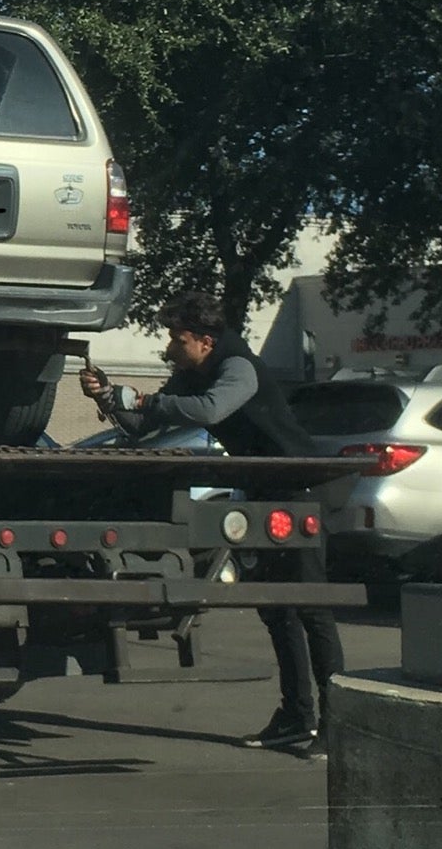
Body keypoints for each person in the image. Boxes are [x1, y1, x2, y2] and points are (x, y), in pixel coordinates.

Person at [81, 290, 343, 757]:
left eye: (176, 338)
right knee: (275, 608)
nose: (169, 347)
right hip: (263, 492)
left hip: (296, 489)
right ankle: (297, 716)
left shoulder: (236, 365)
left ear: (204, 340)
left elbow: (210, 411)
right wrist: (109, 397)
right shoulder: (191, 372)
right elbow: (143, 426)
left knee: (311, 608)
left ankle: (340, 725)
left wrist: (141, 398)